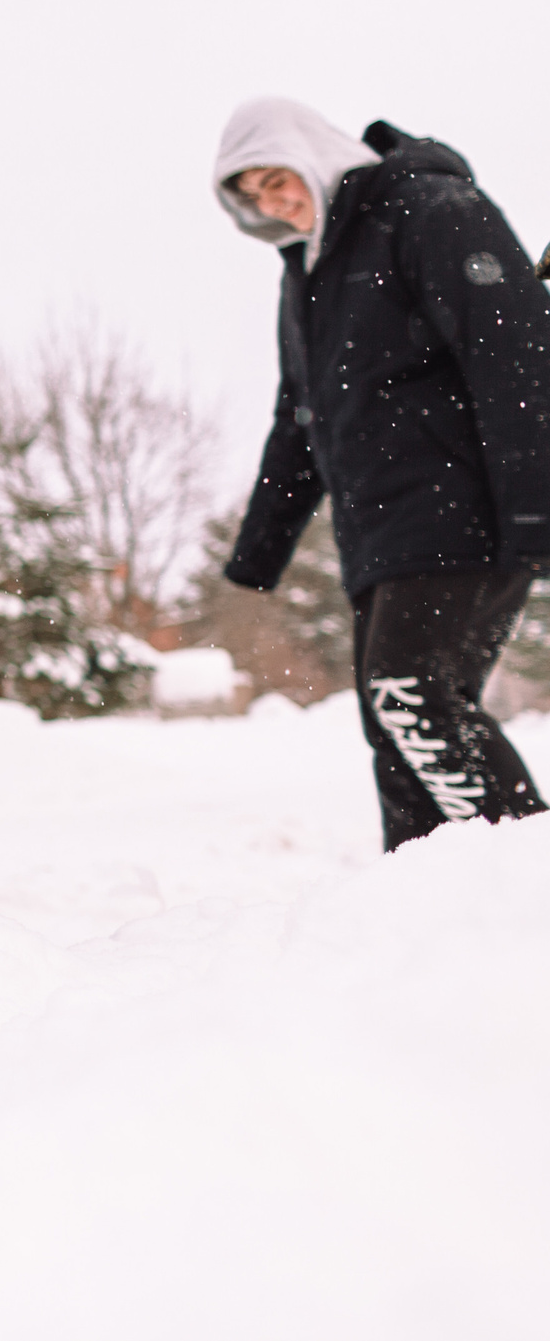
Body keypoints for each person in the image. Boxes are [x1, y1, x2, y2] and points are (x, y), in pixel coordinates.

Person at [214, 101, 550, 849]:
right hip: (381, 531)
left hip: (466, 506)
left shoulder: (427, 207)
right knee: (394, 727)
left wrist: (535, 504)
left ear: (312, 152)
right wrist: (256, 553)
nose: (275, 204)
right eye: (256, 197)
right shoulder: (304, 272)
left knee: (412, 694)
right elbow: (298, 418)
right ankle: (420, 900)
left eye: (279, 179)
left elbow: (515, 352)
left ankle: (528, 871)